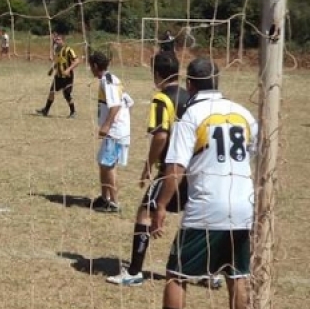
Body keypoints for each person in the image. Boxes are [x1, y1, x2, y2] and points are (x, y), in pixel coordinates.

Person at [152, 57, 257, 309]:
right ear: (217, 81)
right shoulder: (243, 113)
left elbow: (175, 167)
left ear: (189, 84)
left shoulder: (191, 115)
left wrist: (162, 205)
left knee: (176, 274)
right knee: (236, 274)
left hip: (206, 209)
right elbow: (254, 152)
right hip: (243, 207)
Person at [107, 51, 189, 286]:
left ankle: (134, 272)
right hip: (193, 168)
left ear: (157, 74)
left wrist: (148, 166)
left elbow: (161, 136)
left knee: (145, 211)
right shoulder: (189, 96)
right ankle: (211, 273)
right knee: (196, 217)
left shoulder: (162, 99)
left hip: (170, 168)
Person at [88, 49, 132, 213]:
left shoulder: (108, 82)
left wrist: (107, 126)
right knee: (103, 162)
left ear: (95, 65)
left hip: (115, 131)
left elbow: (115, 106)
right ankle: (104, 197)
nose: (90, 70)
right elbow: (129, 102)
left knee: (108, 165)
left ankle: (114, 202)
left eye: (90, 66)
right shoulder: (112, 79)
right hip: (118, 129)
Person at [37, 34, 81, 118]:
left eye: (58, 39)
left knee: (66, 94)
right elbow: (57, 62)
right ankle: (46, 110)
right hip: (58, 76)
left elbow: (77, 61)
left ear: (63, 41)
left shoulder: (69, 50)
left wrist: (68, 70)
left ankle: (73, 112)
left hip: (67, 77)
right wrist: (51, 69)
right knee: (51, 92)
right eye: (56, 40)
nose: (56, 41)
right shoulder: (57, 50)